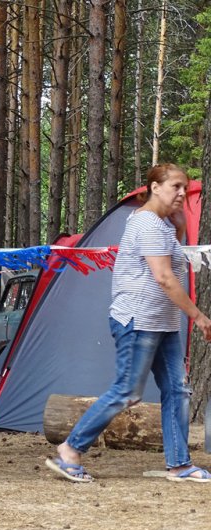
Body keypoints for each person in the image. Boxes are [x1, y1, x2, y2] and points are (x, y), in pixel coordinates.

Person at [45, 163, 211, 483]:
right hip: (138, 320)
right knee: (126, 391)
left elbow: (170, 261)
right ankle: (70, 450)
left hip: (162, 323)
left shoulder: (162, 225)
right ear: (155, 188)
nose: (182, 193)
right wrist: (198, 316)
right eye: (175, 186)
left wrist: (177, 228)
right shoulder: (147, 223)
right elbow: (163, 277)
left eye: (184, 188)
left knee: (177, 390)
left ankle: (179, 465)